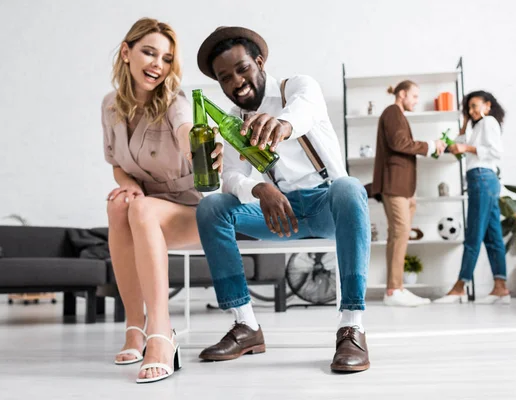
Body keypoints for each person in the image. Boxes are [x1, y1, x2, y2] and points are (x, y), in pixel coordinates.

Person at [194, 26, 371, 372]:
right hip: (279, 212)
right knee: (212, 207)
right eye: (225, 77)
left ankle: (352, 326)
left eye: (242, 69)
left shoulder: (300, 87)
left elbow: (302, 113)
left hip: (327, 205)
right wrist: (260, 189)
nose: (237, 82)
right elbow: (230, 177)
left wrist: (281, 125)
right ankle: (245, 325)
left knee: (349, 186)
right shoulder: (230, 121)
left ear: (259, 62)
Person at [102, 17, 223, 383]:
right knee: (119, 203)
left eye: (166, 58)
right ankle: (133, 326)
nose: (158, 64)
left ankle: (161, 331)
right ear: (127, 52)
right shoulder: (110, 106)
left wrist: (201, 146)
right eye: (149, 53)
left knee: (136, 206)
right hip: (147, 212)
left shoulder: (174, 100)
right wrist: (130, 185)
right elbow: (117, 165)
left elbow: (186, 129)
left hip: (192, 210)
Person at [371, 81, 446, 307]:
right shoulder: (393, 112)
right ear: (401, 94)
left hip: (402, 187)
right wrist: (430, 145)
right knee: (400, 234)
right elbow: (399, 143)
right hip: (394, 186)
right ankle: (394, 290)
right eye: (414, 96)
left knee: (400, 235)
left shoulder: (398, 114)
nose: (416, 100)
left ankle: (397, 288)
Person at [433, 90, 509, 305]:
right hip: (484, 180)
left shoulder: (489, 122)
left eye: (476, 105)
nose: (472, 110)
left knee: (474, 234)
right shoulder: (477, 125)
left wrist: (466, 147)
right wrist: (465, 123)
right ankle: (501, 287)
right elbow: (459, 144)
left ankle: (460, 286)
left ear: (487, 105)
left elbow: (497, 152)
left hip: (482, 178)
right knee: (492, 235)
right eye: (469, 107)